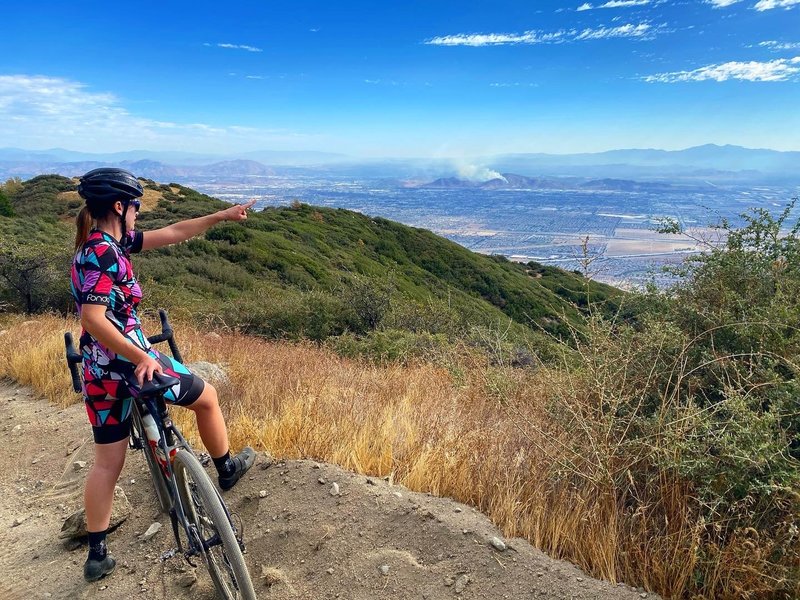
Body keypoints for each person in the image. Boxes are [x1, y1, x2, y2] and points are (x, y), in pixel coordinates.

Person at [69, 167, 257, 582]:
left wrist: (220, 216)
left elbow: (173, 232)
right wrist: (140, 355)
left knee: (106, 465)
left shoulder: (100, 244)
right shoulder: (103, 252)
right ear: (119, 207)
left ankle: (97, 553)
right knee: (207, 396)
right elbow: (95, 318)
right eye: (135, 206)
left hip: (99, 374)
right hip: (133, 364)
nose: (138, 214)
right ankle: (226, 469)